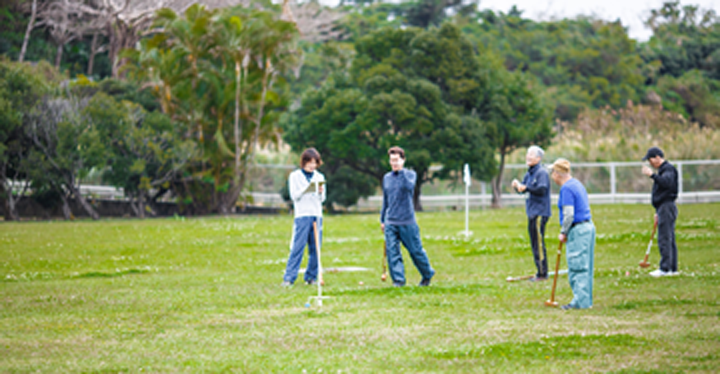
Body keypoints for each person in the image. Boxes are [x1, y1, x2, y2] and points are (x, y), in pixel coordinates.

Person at [380, 146, 435, 287]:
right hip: (391, 221)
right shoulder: (386, 178)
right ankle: (399, 280)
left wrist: (401, 171)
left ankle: (427, 273)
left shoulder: (410, 175)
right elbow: (386, 201)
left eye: (397, 160)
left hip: (407, 221)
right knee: (392, 253)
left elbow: (409, 187)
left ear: (403, 160)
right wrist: (382, 220)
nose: (394, 163)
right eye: (392, 160)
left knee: (415, 251)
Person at [549, 158, 595, 310]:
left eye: (552, 173)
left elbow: (569, 214)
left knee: (577, 267)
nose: (552, 176)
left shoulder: (567, 188)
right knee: (586, 266)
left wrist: (563, 232)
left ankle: (580, 302)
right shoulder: (577, 183)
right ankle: (584, 300)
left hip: (578, 229)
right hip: (588, 227)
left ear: (558, 174)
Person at [282, 148, 326, 287]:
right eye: (310, 163)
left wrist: (319, 192)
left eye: (315, 163)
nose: (312, 166)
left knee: (316, 248)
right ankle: (289, 278)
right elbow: (294, 196)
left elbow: (322, 199)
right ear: (304, 162)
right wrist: (307, 188)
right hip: (302, 215)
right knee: (298, 247)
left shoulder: (319, 177)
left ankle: (311, 277)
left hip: (316, 215)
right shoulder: (295, 176)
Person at [512, 146, 551, 282]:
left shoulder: (542, 172)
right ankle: (540, 270)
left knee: (538, 242)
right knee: (534, 242)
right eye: (527, 154)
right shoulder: (529, 173)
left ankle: (542, 273)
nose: (528, 157)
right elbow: (524, 189)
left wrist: (527, 187)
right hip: (532, 212)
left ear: (539, 158)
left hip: (540, 212)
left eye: (531, 155)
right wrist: (517, 187)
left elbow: (541, 189)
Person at [641, 146, 679, 277]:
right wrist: (658, 210)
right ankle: (672, 268)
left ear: (657, 157)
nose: (650, 163)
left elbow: (666, 183)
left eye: (650, 159)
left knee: (665, 238)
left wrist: (652, 175)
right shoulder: (663, 170)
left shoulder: (668, 169)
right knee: (669, 237)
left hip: (667, 206)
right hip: (663, 207)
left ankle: (666, 268)